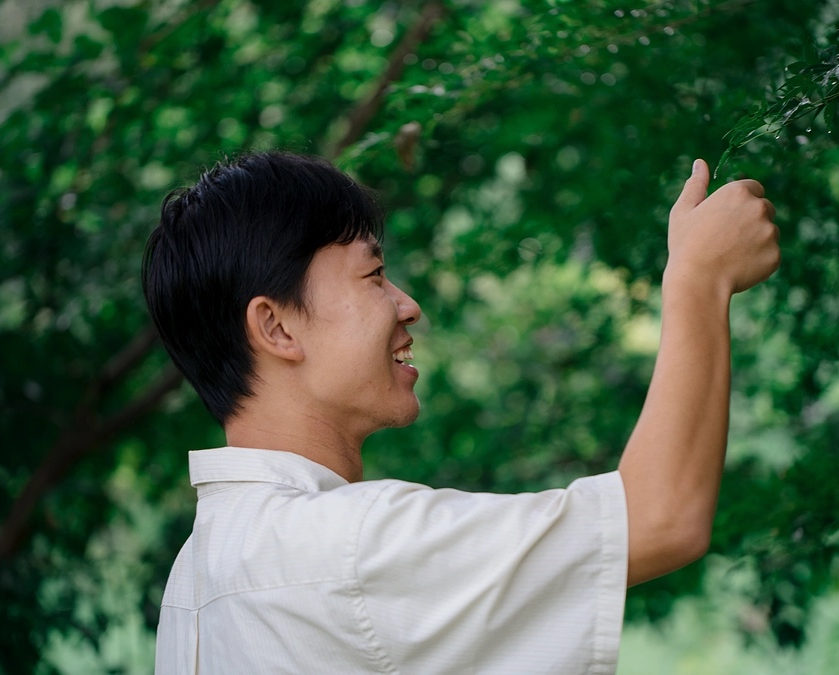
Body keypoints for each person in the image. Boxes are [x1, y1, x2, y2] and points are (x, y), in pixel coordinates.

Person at [144, 151, 779, 674]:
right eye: (374, 275)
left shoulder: (196, 575)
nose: (408, 305)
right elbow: (660, 520)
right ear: (277, 327)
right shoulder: (349, 547)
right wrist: (699, 278)